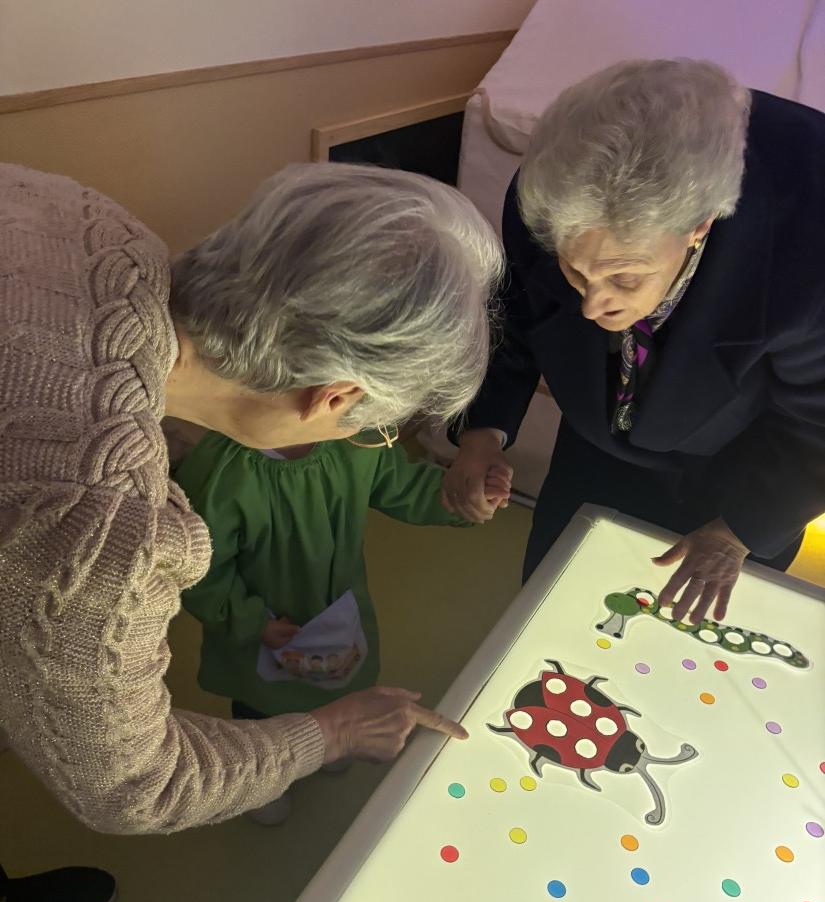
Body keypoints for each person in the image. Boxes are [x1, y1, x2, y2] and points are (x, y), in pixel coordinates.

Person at [0, 160, 503, 835]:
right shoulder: (105, 522)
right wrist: (334, 731)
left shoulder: (92, 218)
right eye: (378, 426)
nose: (374, 441)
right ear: (333, 397)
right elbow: (133, 788)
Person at [444, 60, 825, 624]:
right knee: (556, 609)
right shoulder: (547, 198)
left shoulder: (807, 259)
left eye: (624, 278)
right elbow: (516, 312)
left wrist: (739, 531)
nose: (593, 307)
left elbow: (818, 421)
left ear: (699, 227)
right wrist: (483, 432)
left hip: (745, 463)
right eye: (577, 273)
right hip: (595, 438)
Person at [174, 427, 497, 822]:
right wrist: (249, 618)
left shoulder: (356, 440)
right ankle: (262, 781)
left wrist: (464, 498)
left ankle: (336, 741)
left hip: (338, 611)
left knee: (340, 682)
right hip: (259, 625)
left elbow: (405, 486)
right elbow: (199, 570)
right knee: (259, 706)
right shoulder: (221, 472)